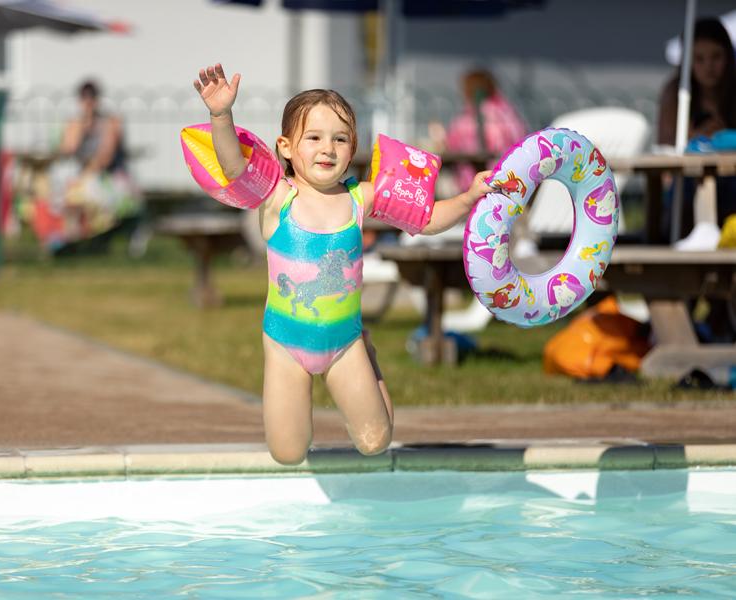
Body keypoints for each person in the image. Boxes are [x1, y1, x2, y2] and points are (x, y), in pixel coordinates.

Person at [193, 64, 492, 465]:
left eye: (340, 139)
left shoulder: (360, 198)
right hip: (285, 345)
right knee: (287, 452)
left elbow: (425, 219)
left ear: (352, 148)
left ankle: (370, 357)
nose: (327, 149)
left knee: (375, 441)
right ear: (285, 147)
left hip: (345, 343)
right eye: (313, 138)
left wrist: (469, 198)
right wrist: (221, 115)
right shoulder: (278, 197)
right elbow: (233, 167)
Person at [28, 80, 141, 251]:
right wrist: (81, 128)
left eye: (91, 98)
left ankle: (81, 241)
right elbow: (67, 150)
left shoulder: (110, 123)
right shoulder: (75, 123)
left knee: (80, 193)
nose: (88, 103)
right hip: (80, 177)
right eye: (84, 98)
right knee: (50, 194)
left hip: (106, 177)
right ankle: (65, 241)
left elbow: (105, 158)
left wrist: (84, 176)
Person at [657, 16, 736, 243]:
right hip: (687, 186)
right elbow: (666, 146)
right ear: (687, 62)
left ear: (728, 57)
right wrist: (692, 137)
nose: (708, 67)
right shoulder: (676, 93)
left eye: (716, 57)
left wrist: (722, 136)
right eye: (699, 59)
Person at [444, 68, 527, 192]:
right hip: (513, 179)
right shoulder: (507, 112)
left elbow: (452, 145)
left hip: (481, 182)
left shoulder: (472, 117)